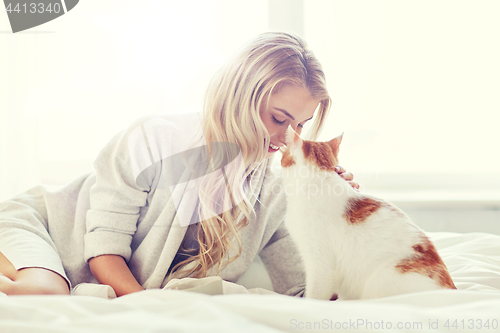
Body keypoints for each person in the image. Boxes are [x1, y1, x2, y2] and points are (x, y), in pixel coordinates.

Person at [0, 32, 358, 297]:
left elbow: (303, 285)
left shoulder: (276, 191)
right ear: (241, 96)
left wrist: (333, 210)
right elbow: (104, 253)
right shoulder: (154, 139)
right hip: (41, 225)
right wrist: (147, 310)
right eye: (279, 118)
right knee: (44, 292)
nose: (288, 138)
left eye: (300, 124)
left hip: (79, 267)